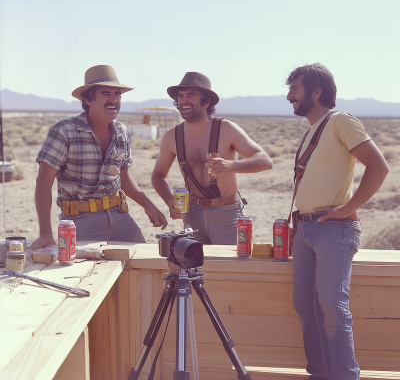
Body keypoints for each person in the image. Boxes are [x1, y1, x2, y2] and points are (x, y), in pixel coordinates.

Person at [286, 63, 389, 380]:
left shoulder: (340, 121)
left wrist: (349, 207)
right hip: (305, 229)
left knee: (332, 309)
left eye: (295, 89)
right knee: (306, 307)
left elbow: (378, 166)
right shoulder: (309, 132)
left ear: (316, 92)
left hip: (333, 228)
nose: (289, 96)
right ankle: (320, 374)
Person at [29, 65, 167, 252]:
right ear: (88, 99)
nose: (114, 100)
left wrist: (149, 206)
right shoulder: (64, 131)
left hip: (119, 215)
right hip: (80, 220)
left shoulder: (122, 132)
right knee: (85, 275)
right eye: (105, 94)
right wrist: (45, 233)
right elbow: (44, 182)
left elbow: (123, 176)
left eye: (117, 94)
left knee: (141, 264)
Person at [151, 72, 273, 244]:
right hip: (192, 215)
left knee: (229, 268)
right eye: (180, 97)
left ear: (206, 102)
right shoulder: (171, 137)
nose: (183, 101)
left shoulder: (226, 129)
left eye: (190, 96)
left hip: (227, 214)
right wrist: (169, 201)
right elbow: (157, 175)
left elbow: (265, 161)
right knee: (195, 268)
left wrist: (231, 165)